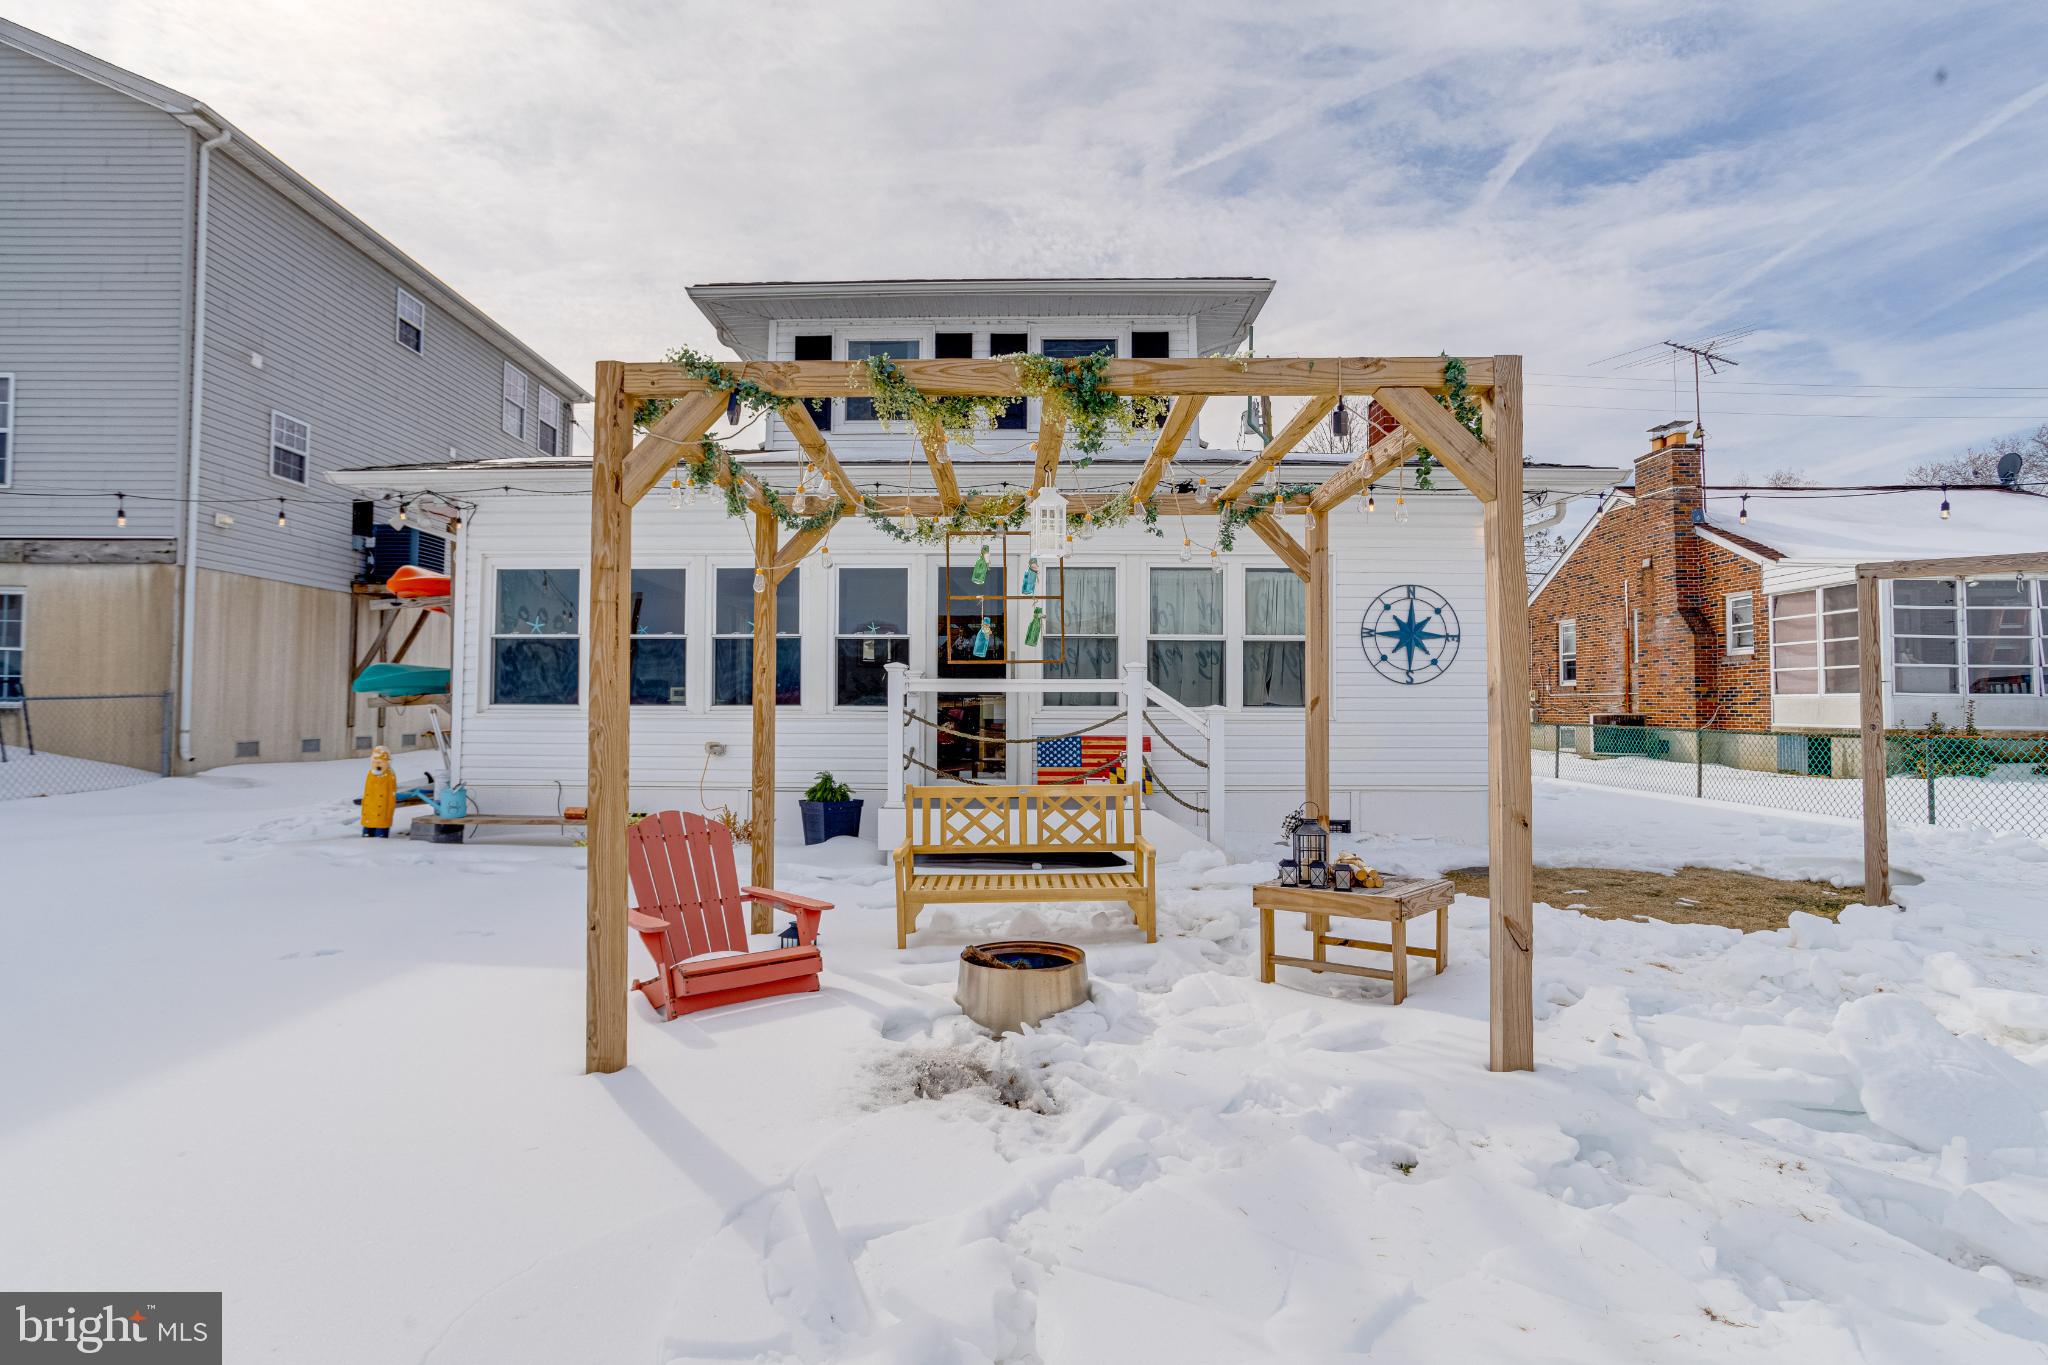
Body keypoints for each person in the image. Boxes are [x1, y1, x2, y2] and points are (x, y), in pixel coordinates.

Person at [360, 746, 397, 838]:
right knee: (367, 837)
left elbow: (390, 797)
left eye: (380, 762)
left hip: (382, 813)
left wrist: (388, 813)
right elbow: (367, 792)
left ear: (387, 763)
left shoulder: (389, 775)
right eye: (374, 762)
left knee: (379, 839)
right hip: (369, 813)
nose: (377, 765)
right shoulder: (370, 773)